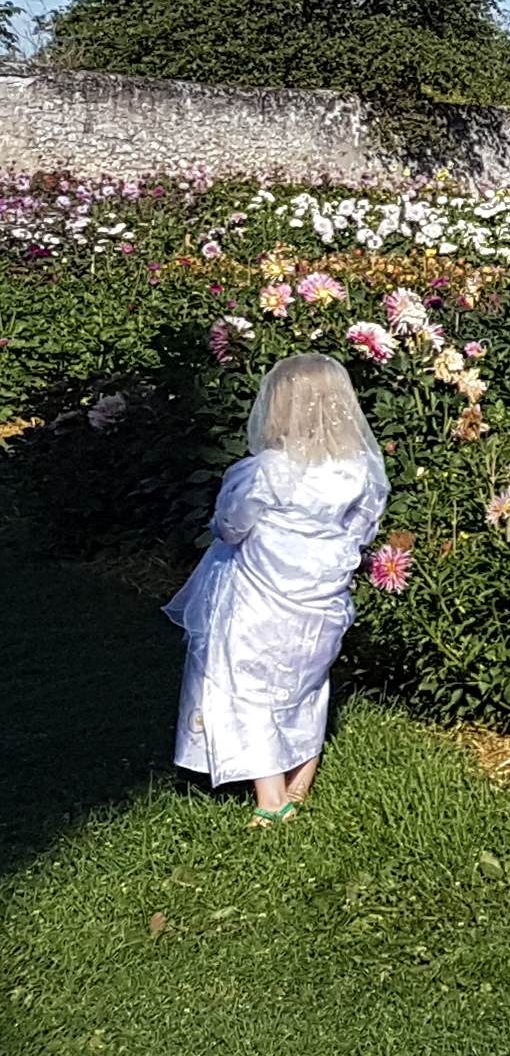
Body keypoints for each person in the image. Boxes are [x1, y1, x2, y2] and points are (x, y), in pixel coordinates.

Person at [167, 351, 389, 823]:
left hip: (259, 600)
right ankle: (299, 782)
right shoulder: (360, 470)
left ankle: (271, 800)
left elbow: (231, 526)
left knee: (247, 686)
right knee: (307, 683)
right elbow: (362, 530)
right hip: (323, 599)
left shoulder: (266, 470)